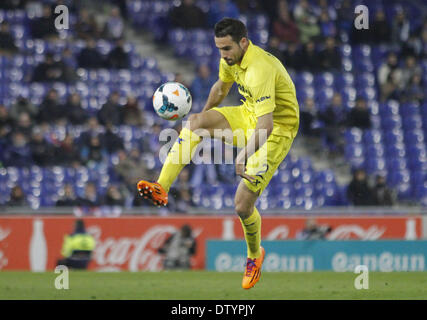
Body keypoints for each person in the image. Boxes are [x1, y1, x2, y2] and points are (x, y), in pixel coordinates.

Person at [137, 18, 299, 289]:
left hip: (276, 131)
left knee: (242, 204)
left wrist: (243, 154)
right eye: (219, 49)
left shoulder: (260, 69)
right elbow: (221, 87)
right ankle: (161, 187)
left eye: (227, 48)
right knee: (195, 123)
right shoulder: (231, 59)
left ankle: (254, 255)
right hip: (249, 116)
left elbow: (267, 124)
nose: (223, 55)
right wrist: (203, 115)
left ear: (243, 42)